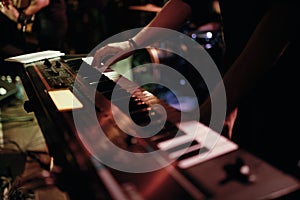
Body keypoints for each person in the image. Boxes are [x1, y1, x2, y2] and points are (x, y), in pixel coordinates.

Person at [91, 0, 300, 178]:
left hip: (282, 92)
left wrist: (213, 109)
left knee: (264, 173)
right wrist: (131, 44)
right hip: (241, 82)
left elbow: (280, 25)